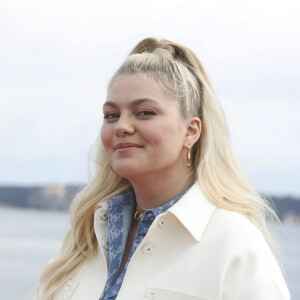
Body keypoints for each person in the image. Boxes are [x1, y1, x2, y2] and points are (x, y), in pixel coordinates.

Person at [31, 38, 290, 300]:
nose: (121, 126)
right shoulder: (87, 237)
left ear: (191, 131)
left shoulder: (233, 244)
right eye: (111, 115)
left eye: (144, 112)